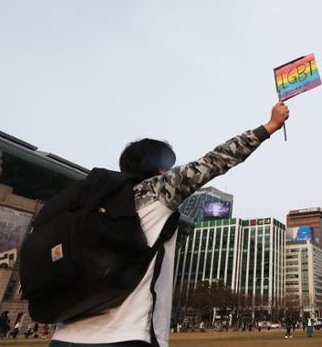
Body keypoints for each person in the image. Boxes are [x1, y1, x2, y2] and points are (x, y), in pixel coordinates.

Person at [49, 102, 289, 347]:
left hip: (63, 336)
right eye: (168, 166)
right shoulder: (156, 192)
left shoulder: (88, 203)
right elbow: (216, 160)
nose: (171, 170)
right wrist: (269, 126)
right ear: (157, 170)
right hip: (124, 335)